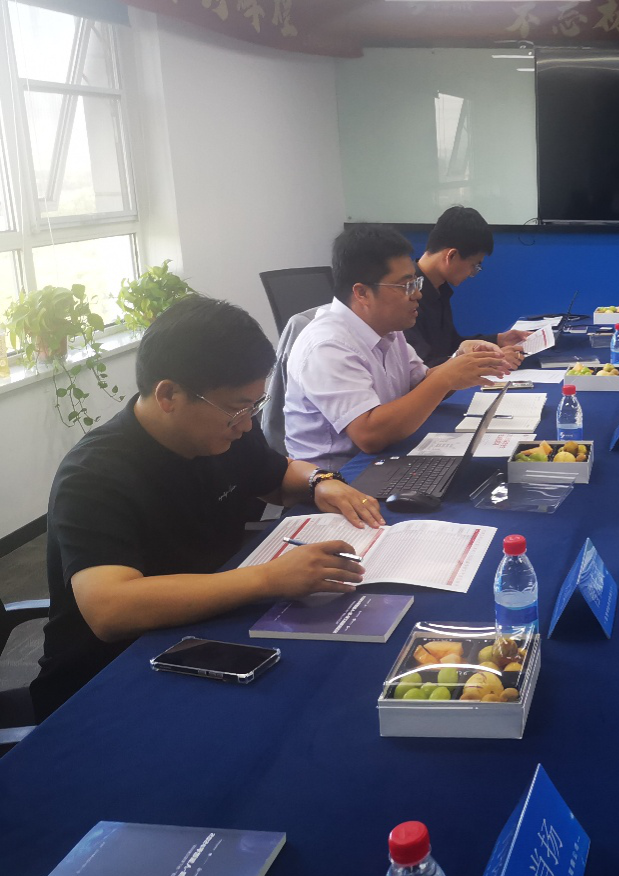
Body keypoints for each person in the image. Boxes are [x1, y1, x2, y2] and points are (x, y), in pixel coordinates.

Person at [32, 296, 379, 719]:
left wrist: (320, 482)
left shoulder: (224, 431)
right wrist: (269, 578)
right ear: (169, 395)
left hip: (208, 632)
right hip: (108, 679)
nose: (248, 424)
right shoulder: (93, 475)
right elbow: (110, 608)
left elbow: (277, 476)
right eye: (236, 408)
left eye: (254, 406)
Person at [285, 223, 509, 471]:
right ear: (362, 293)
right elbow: (369, 435)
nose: (417, 295)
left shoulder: (389, 329)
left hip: (384, 461)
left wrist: (459, 363)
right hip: (336, 478)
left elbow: (421, 383)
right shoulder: (327, 345)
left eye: (416, 283)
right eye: (405, 286)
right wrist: (446, 377)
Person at [404, 206, 530, 369]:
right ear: (451, 255)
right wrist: (491, 359)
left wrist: (498, 340)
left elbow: (452, 347)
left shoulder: (440, 289)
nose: (472, 273)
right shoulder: (407, 296)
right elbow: (422, 367)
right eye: (474, 266)